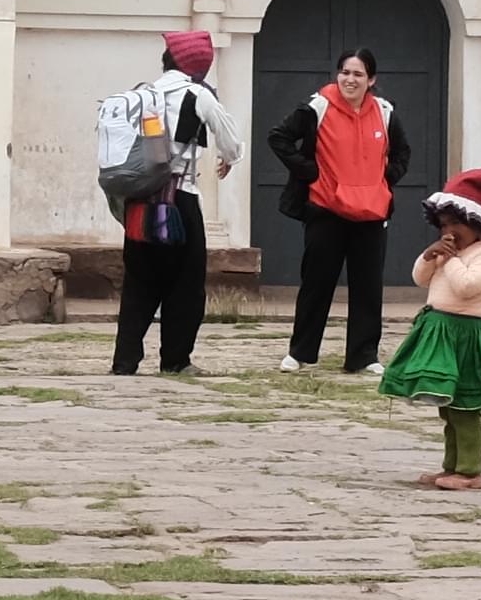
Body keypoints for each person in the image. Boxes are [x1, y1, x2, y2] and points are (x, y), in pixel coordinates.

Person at [380, 168, 481, 490]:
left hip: (465, 336)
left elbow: (467, 287)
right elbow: (420, 279)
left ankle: (470, 470)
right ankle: (451, 466)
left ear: (476, 225)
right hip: (439, 332)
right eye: (444, 225)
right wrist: (429, 256)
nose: (449, 231)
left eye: (455, 224)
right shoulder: (453, 254)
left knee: (466, 406)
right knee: (449, 409)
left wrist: (449, 261)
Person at [99, 31, 237, 376]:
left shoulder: (142, 94)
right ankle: (175, 360)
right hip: (180, 202)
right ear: (200, 66)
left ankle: (125, 361)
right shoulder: (197, 95)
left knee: (138, 283)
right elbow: (231, 141)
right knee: (185, 284)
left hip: (138, 204)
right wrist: (228, 158)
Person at [269, 48, 400, 374]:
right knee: (316, 283)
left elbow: (402, 153)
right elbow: (279, 137)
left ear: (371, 80)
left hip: (371, 214)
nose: (349, 79)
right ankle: (300, 353)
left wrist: (384, 181)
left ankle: (364, 355)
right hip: (326, 210)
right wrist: (309, 172)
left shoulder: (384, 112)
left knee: (368, 287)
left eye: (357, 74)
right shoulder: (318, 107)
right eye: (344, 72)